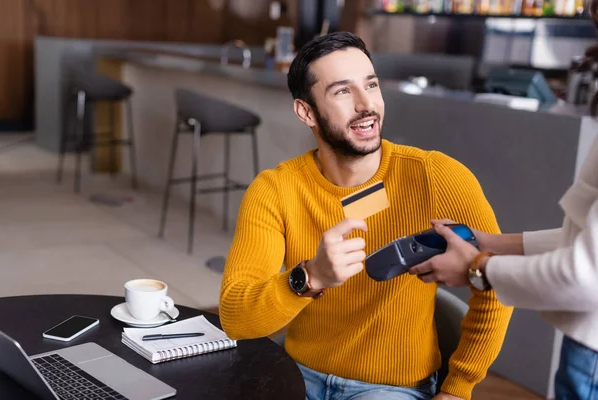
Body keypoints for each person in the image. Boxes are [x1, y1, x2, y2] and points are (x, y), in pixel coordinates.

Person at [219, 32, 513, 400]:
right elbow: (237, 318)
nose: (366, 105)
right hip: (294, 375)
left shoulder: (435, 176)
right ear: (306, 112)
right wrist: (311, 277)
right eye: (342, 91)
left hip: (389, 389)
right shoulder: (275, 189)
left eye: (371, 85)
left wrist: (458, 388)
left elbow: (498, 283)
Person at [409, 5, 598, 398]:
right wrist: (492, 242)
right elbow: (588, 244)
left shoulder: (441, 173)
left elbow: (585, 273)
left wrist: (478, 268)